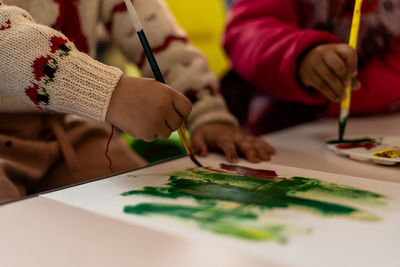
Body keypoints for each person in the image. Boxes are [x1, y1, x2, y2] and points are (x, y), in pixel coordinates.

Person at [0, 0, 275, 203]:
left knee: (150, 205)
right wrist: (110, 92)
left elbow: (159, 35)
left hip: (68, 130)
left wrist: (206, 111)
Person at [223, 0, 400, 135]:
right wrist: (300, 57)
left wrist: (340, 91)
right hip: (277, 134)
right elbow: (246, 32)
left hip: (374, 125)